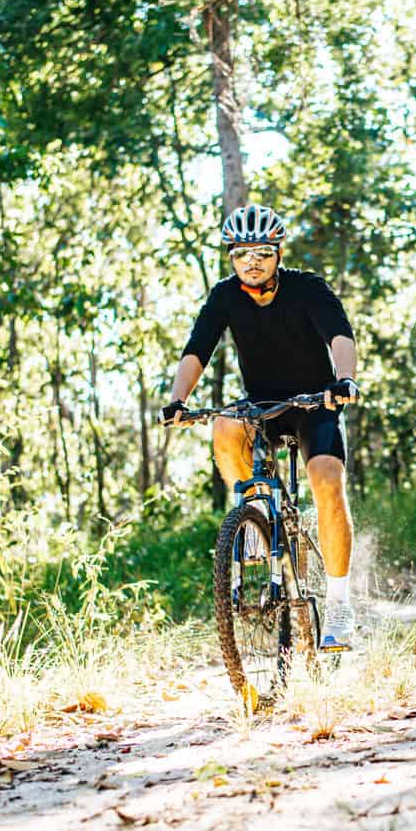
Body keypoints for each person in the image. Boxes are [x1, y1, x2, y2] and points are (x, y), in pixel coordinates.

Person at [162, 205, 360, 652]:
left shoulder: (307, 288)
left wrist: (344, 379)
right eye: (241, 253)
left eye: (262, 252)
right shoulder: (225, 296)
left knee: (326, 480)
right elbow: (198, 350)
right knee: (226, 425)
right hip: (262, 406)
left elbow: (339, 335)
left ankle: (340, 602)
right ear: (231, 257)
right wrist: (179, 399)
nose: (252, 261)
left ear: (278, 253)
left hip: (314, 402)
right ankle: (253, 519)